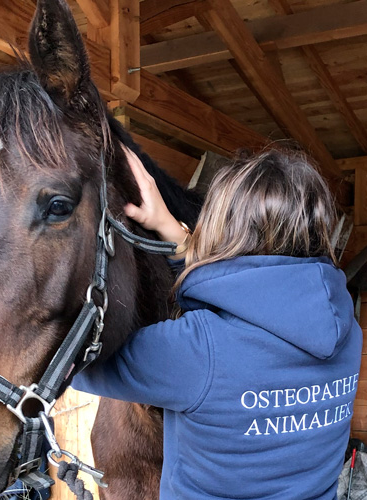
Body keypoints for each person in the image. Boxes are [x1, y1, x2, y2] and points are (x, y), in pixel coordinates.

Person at [72, 147, 363, 500]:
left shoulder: (196, 352)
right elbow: (257, 294)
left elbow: (77, 365)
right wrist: (170, 228)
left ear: (226, 233)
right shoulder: (346, 329)